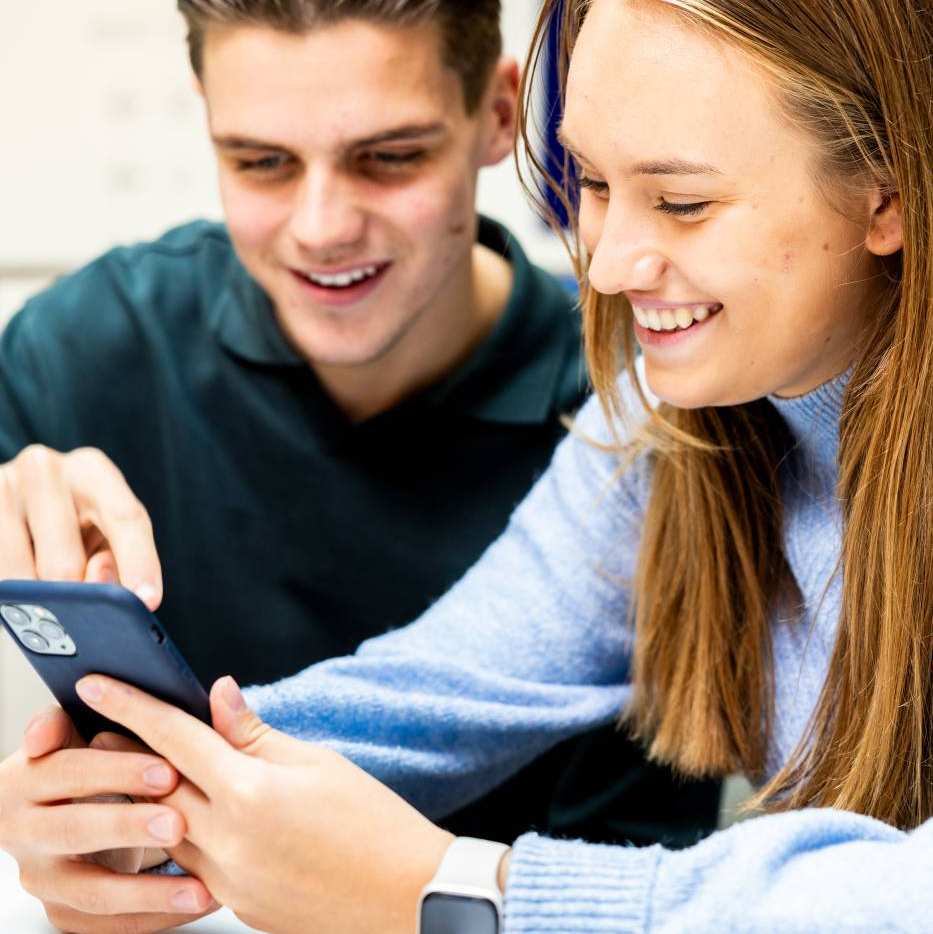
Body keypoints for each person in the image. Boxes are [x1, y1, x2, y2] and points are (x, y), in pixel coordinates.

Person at [8, 0, 924, 928]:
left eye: (682, 203)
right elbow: (447, 685)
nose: (604, 269)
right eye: (594, 185)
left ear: (888, 194)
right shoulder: (665, 421)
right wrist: (139, 797)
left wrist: (452, 888)